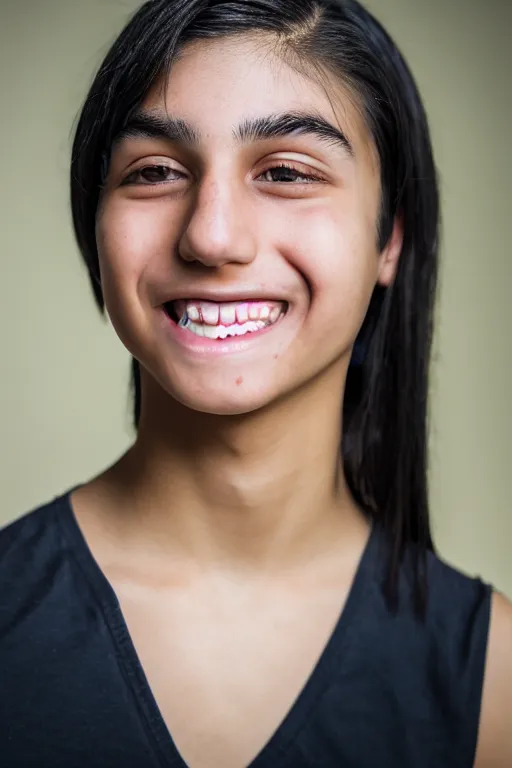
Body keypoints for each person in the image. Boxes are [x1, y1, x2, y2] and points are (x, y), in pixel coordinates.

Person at [0, 0, 510, 766]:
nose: (210, 234)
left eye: (284, 172)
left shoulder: (493, 676)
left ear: (390, 237)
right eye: (157, 172)